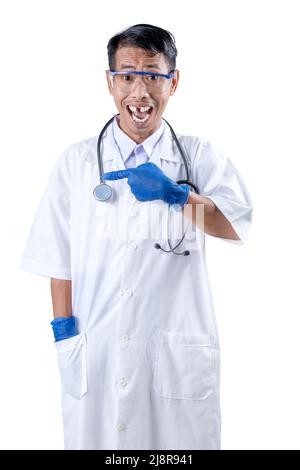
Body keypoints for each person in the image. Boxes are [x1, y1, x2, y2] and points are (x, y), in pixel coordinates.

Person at [20, 23, 253, 450]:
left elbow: (235, 224)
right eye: (127, 75)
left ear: (174, 81)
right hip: (96, 348)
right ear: (109, 82)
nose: (139, 92)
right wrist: (64, 334)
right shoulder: (76, 163)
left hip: (176, 350)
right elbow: (59, 258)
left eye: (153, 74)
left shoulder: (198, 156)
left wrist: (177, 196)